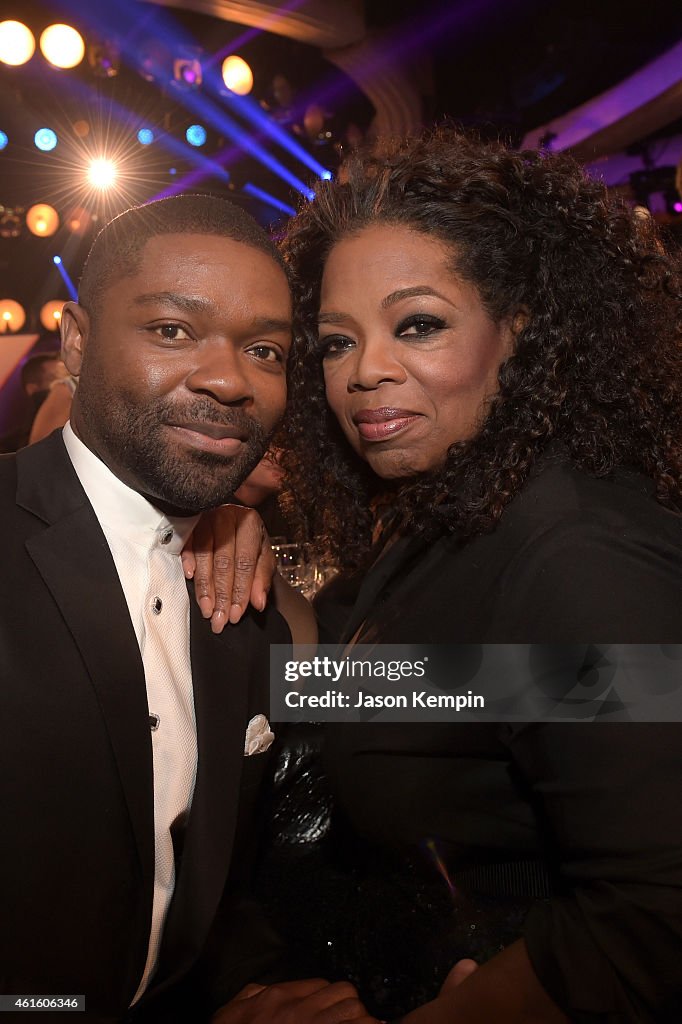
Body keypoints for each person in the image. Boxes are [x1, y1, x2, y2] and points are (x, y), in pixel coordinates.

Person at [192, 130, 682, 1022]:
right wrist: (224, 538)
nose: (366, 373)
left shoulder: (575, 556)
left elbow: (659, 913)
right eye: (337, 343)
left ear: (522, 333)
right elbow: (360, 686)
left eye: (418, 324)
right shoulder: (454, 522)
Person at [0, 194, 372, 1024]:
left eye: (266, 350)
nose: (229, 379)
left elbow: (399, 693)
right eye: (172, 330)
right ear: (78, 341)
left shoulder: (241, 595)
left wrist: (624, 682)